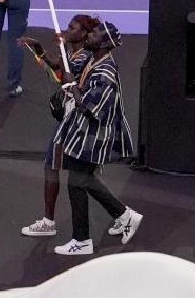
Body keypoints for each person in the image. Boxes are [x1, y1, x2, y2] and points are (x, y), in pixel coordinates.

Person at [53, 21, 142, 255]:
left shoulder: (106, 72)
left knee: (78, 182)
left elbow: (89, 106)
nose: (88, 36)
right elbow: (70, 69)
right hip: (83, 133)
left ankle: (85, 238)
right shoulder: (94, 60)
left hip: (92, 136)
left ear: (103, 43)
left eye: (93, 34)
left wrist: (72, 87)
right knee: (81, 181)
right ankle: (122, 216)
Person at [17, 14, 100, 237]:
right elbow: (56, 66)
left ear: (83, 34)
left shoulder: (80, 56)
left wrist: (56, 49)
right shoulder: (75, 52)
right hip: (70, 117)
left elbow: (62, 73)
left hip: (73, 119)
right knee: (67, 170)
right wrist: (39, 48)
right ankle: (121, 213)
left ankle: (49, 221)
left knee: (67, 171)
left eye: (72, 27)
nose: (67, 29)